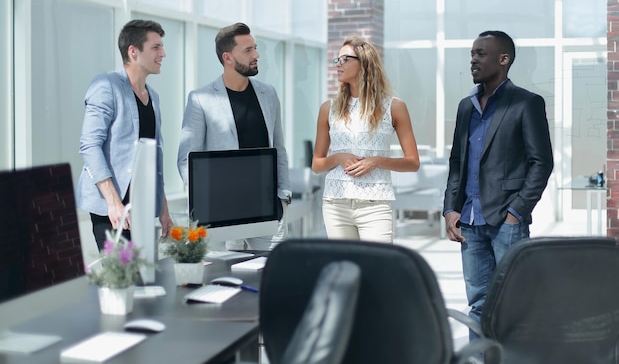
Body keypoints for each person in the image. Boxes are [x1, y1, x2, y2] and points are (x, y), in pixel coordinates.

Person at [443, 30, 553, 331]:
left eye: (480, 54)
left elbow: (541, 163)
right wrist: (451, 209)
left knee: (515, 302)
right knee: (478, 304)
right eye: (471, 54)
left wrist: (516, 212)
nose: (473, 60)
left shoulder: (526, 103)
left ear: (503, 59)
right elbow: (457, 163)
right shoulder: (466, 106)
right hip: (469, 221)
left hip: (507, 223)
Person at [177, 22, 291, 251]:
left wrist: (283, 194)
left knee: (270, 277)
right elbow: (186, 159)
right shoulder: (201, 99)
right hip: (223, 215)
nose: (256, 55)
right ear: (227, 58)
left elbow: (278, 147)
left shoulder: (268, 94)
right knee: (225, 279)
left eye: (255, 48)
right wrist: (207, 202)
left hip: (267, 209)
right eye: (248, 50)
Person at [77, 19, 174, 251]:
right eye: (156, 47)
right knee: (120, 279)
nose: (163, 53)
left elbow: (154, 157)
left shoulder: (154, 96)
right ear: (133, 51)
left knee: (144, 277)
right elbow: (90, 146)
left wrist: (164, 209)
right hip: (110, 208)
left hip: (140, 207)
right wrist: (114, 203)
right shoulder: (106, 85)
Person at [311, 36, 420, 243]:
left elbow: (413, 162)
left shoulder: (394, 107)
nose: (338, 64)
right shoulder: (328, 109)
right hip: (336, 205)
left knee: (377, 270)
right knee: (344, 271)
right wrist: (337, 158)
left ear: (365, 63)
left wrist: (376, 161)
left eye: (345, 59)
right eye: (337, 60)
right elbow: (317, 164)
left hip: (375, 205)